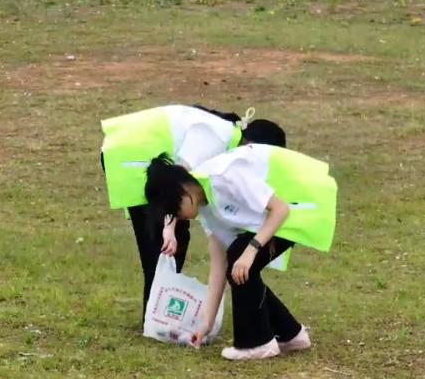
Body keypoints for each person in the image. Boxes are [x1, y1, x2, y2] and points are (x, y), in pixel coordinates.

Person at [143, 144, 338, 360]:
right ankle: (291, 334)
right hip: (287, 212)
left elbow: (280, 209)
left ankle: (256, 343)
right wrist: (206, 324)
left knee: (240, 257)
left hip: (302, 203)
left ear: (184, 190)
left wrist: (251, 250)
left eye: (176, 210)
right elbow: (219, 267)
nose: (179, 218)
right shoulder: (207, 207)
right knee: (239, 263)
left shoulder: (224, 177)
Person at [99, 104, 287, 326]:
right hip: (130, 153)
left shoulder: (226, 146)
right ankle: (156, 318)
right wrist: (168, 227)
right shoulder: (215, 138)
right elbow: (178, 179)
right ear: (251, 146)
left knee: (173, 237)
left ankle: (158, 313)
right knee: (160, 242)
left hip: (138, 153)